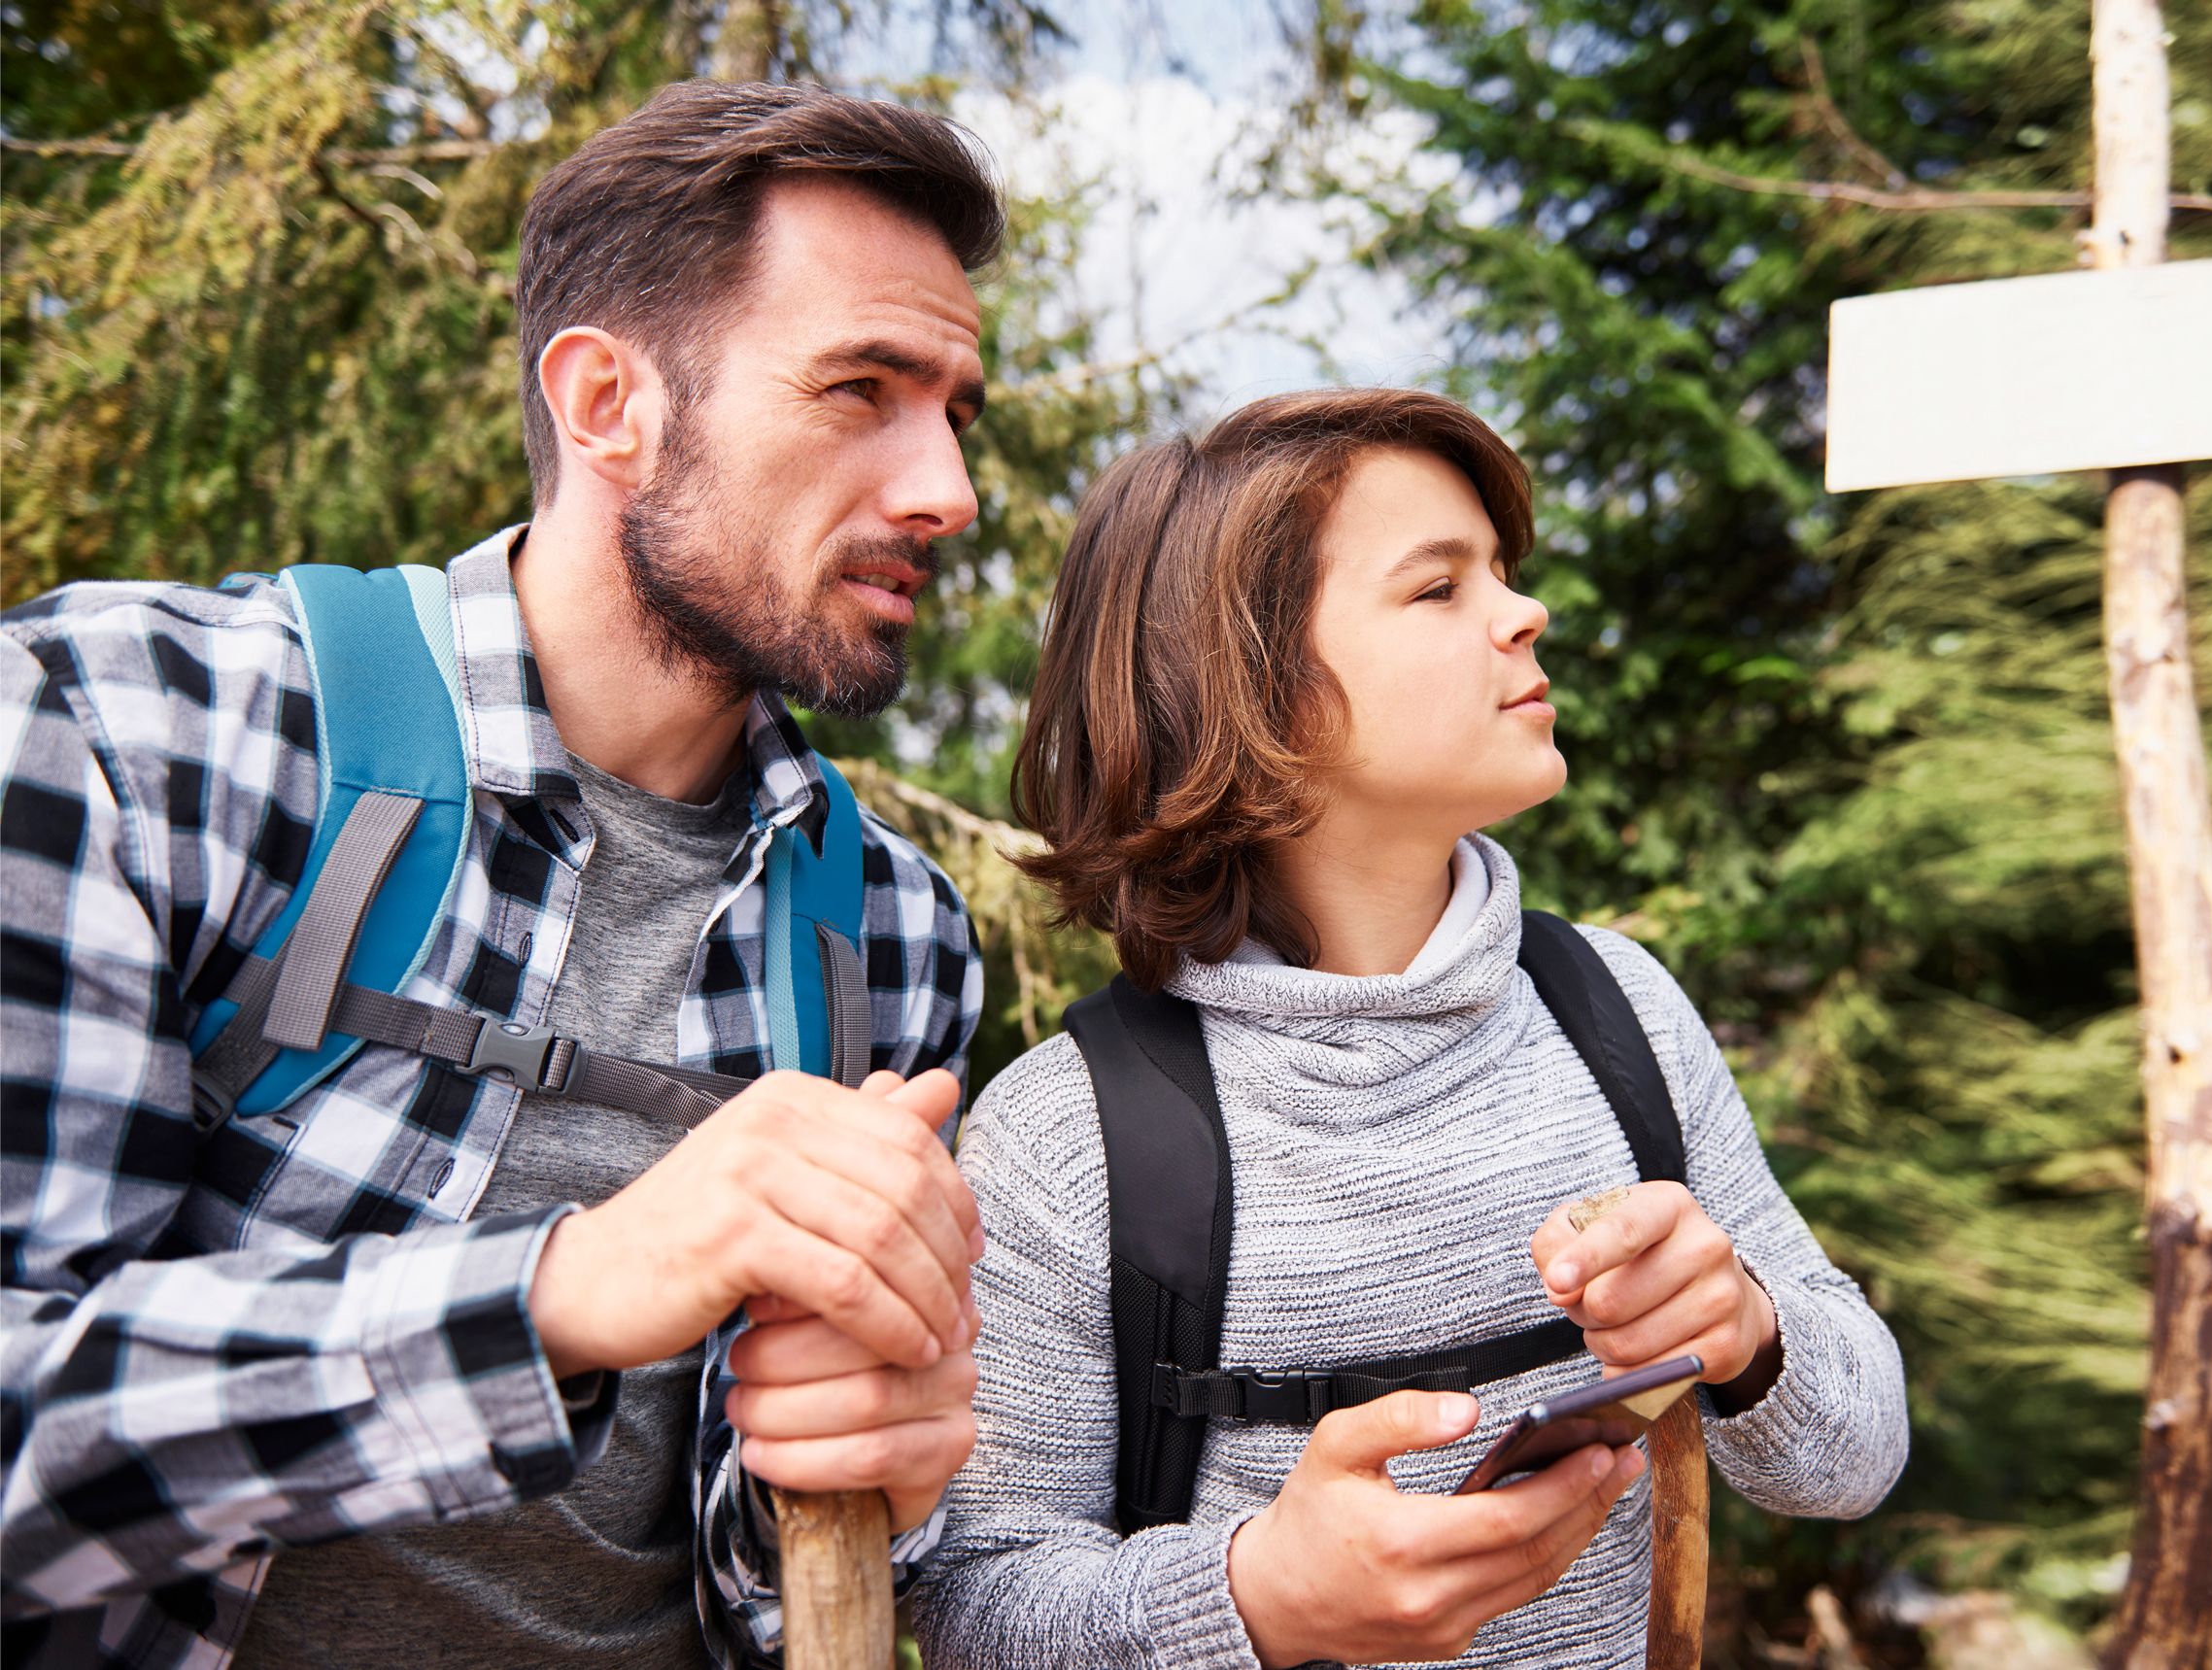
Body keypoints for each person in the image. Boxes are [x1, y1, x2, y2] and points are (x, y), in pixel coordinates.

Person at [2, 82, 999, 1668]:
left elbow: (758, 1577)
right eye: (860, 388)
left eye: (956, 411)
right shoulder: (136, 728)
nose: (945, 488)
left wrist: (866, 1465)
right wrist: (564, 1291)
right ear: (607, 402)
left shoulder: (888, 935)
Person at [902, 388, 1909, 1668]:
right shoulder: (1064, 1137)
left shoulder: (1617, 1009)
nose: (1523, 613)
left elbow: (1857, 1458)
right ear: (1243, 684)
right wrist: (1256, 1599)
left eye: (1502, 571)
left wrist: (1749, 1332)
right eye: (1438, 588)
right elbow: (976, 1612)